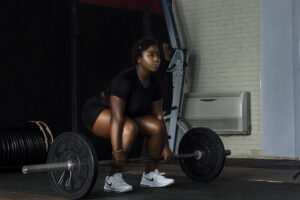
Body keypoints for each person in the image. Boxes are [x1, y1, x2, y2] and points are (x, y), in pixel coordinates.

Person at [82, 38, 174, 193]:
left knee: (156, 127)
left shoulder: (155, 83)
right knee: (129, 127)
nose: (157, 59)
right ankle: (112, 178)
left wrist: (165, 146)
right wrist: (117, 151)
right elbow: (117, 119)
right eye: (151, 55)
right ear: (139, 58)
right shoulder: (124, 80)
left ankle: (150, 175)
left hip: (126, 116)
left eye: (157, 55)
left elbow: (158, 116)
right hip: (96, 112)